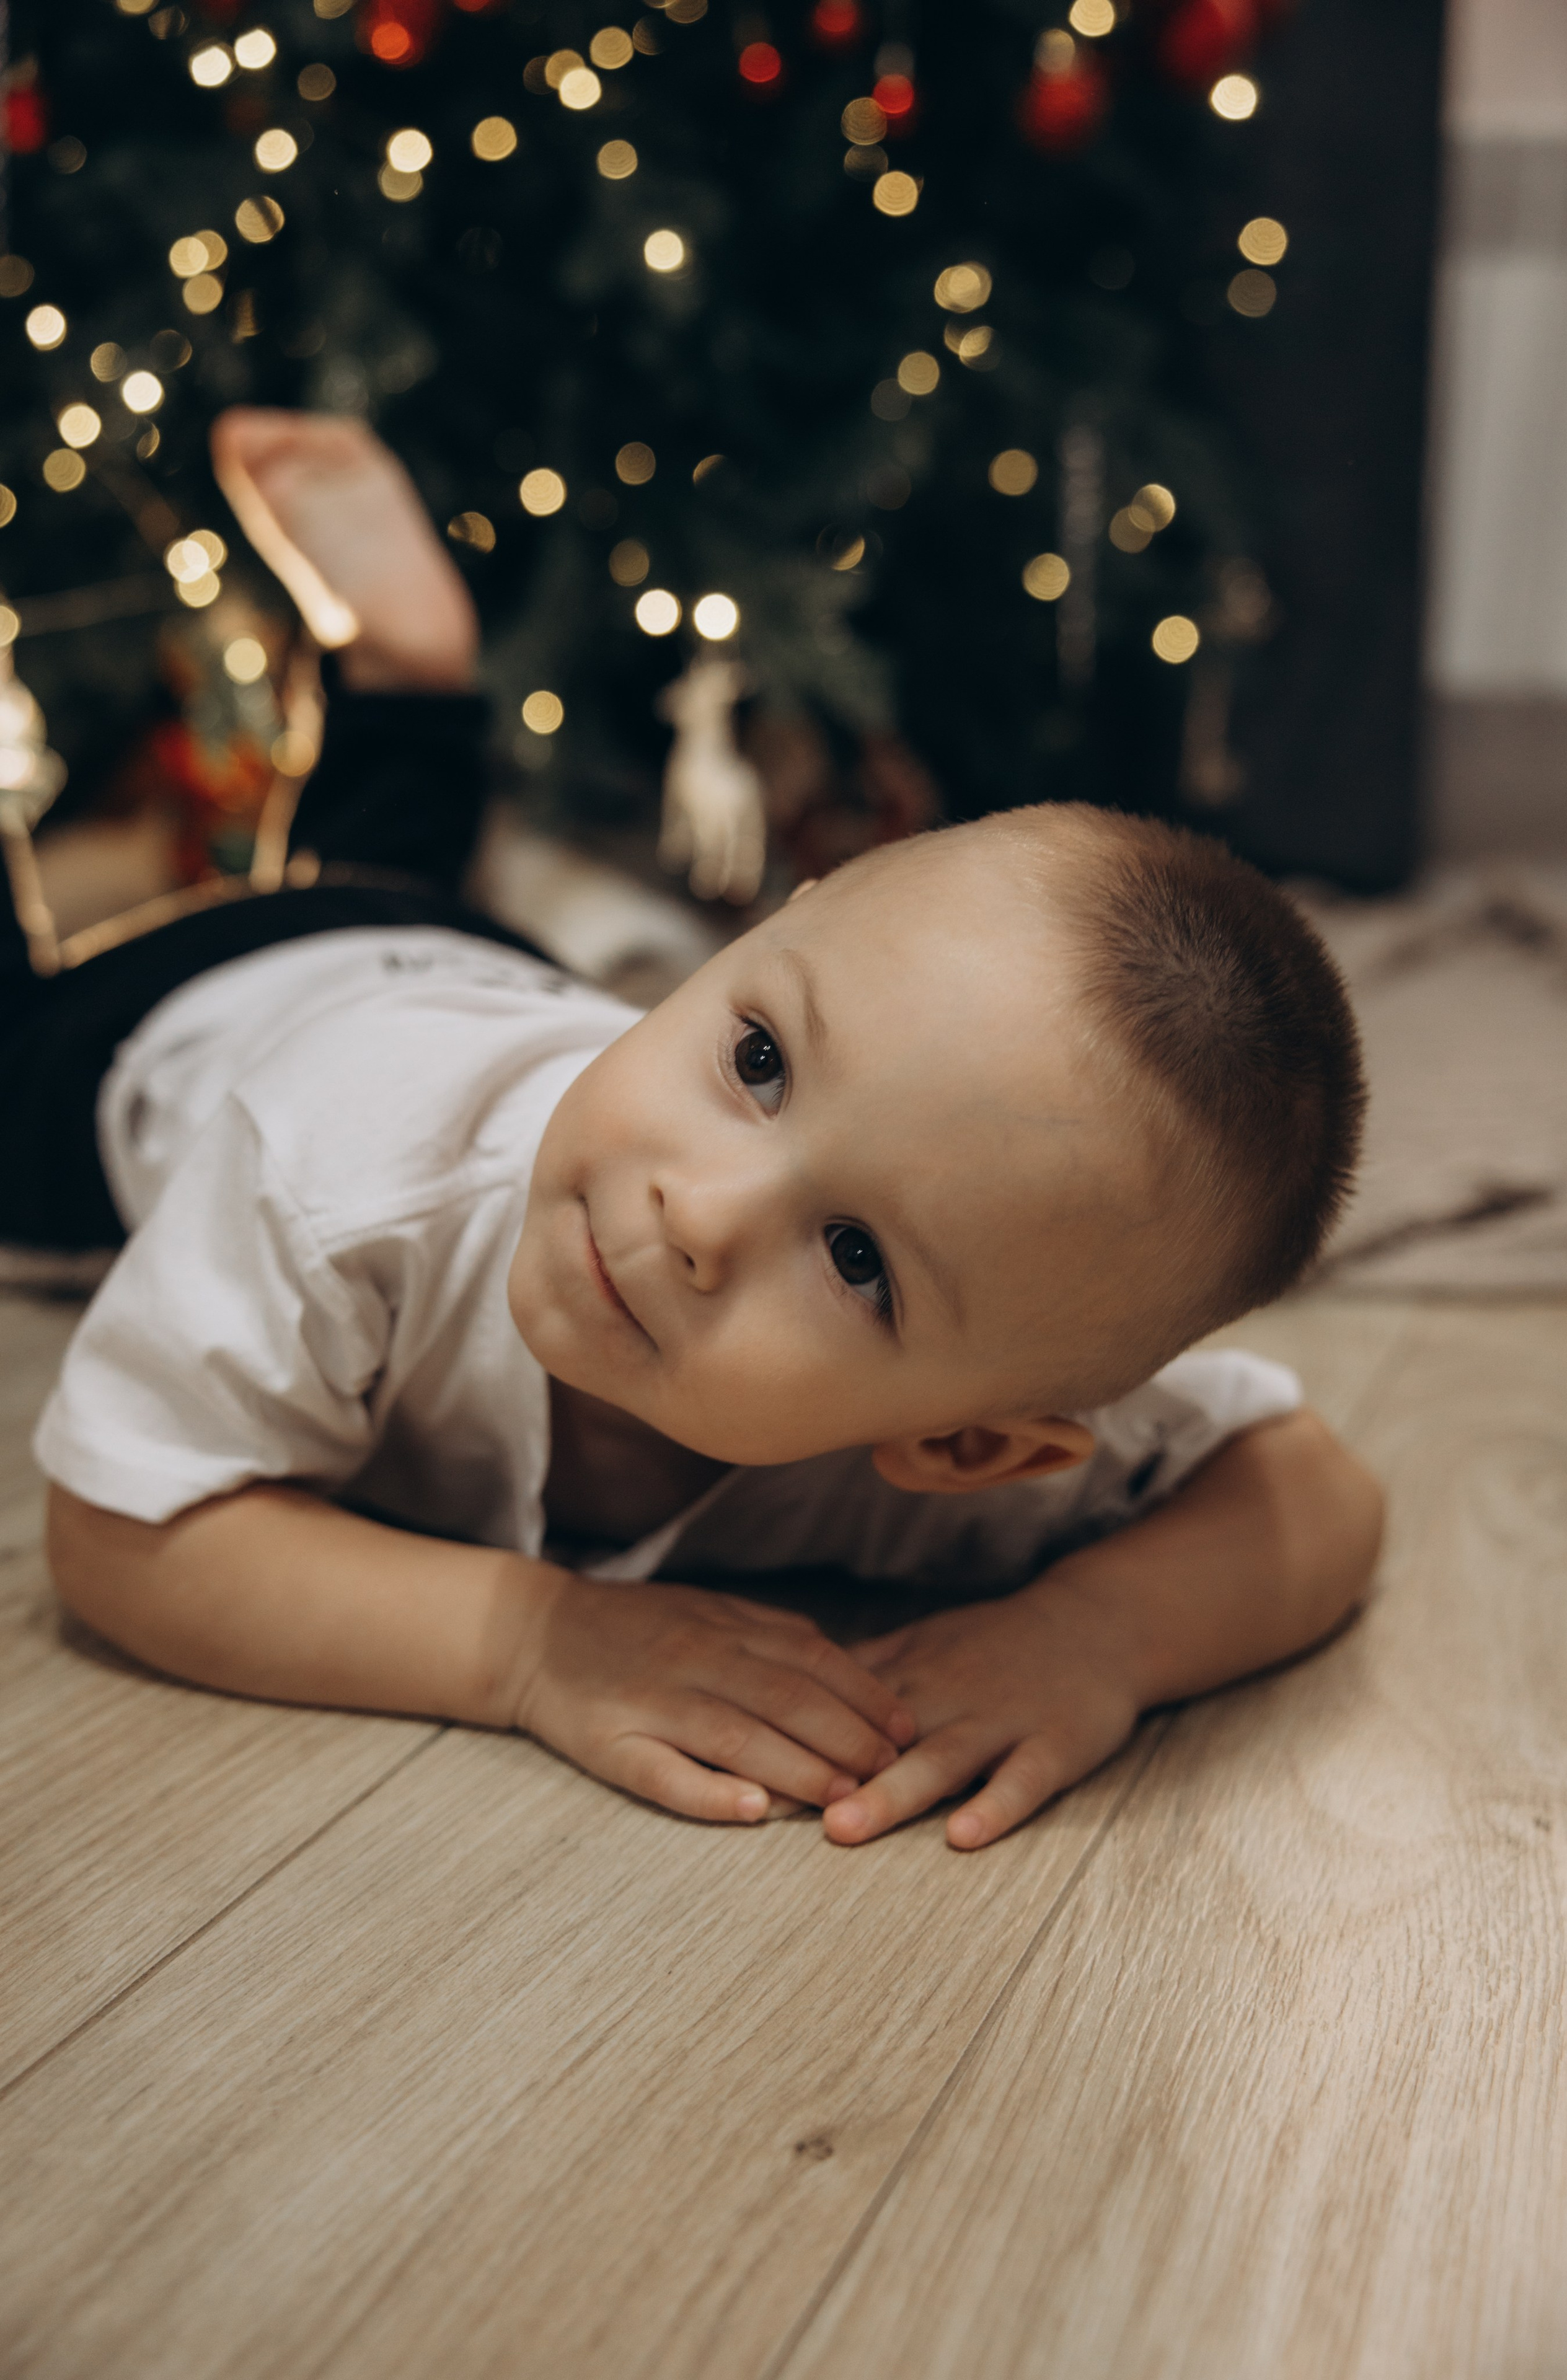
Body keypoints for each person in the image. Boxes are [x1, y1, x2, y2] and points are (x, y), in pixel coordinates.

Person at [17, 412, 1382, 1854]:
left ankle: (406, 685)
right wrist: (533, 1644)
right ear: (749, 942)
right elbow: (122, 1536)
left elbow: (1308, 1493)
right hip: (178, 1021)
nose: (697, 1213)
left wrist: (1093, 1639)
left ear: (967, 1445)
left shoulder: (951, 1421)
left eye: (856, 1259)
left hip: (455, 960)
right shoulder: (339, 1182)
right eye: (757, 1059)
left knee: (386, 870)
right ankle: (410, 684)